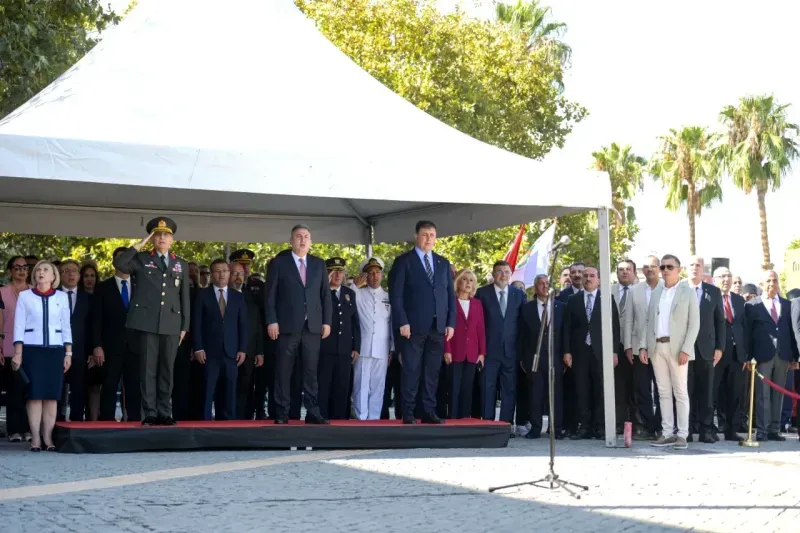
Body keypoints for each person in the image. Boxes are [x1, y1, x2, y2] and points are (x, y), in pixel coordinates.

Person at [113, 217, 190, 426]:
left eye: (166, 235)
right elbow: (120, 263)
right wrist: (139, 245)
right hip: (147, 322)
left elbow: (185, 297)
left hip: (172, 324)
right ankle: (150, 412)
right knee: (148, 370)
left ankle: (165, 412)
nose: (162, 238)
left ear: (172, 239)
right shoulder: (142, 259)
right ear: (152, 238)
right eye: (158, 234)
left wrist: (185, 326)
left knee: (167, 370)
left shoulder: (180, 264)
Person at [389, 220, 456, 424]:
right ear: (416, 236)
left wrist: (450, 322)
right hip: (412, 327)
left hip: (437, 327)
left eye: (432, 235)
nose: (429, 238)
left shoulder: (443, 263)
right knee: (411, 370)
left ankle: (428, 411)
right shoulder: (404, 261)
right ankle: (408, 412)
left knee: (431, 373)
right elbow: (396, 295)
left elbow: (449, 295)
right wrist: (402, 320)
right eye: (425, 234)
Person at [265, 224, 332, 424]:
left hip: (312, 327)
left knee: (311, 372)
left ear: (311, 242)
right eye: (298, 236)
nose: (302, 240)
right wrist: (272, 320)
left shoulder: (319, 264)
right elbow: (270, 296)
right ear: (291, 241)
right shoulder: (279, 263)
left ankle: (312, 412)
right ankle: (282, 413)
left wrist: (327, 322)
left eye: (306, 237)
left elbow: (325, 296)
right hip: (286, 326)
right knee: (284, 371)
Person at [12, 261, 73, 451]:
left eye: (45, 270)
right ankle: (36, 437)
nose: (41, 272)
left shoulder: (62, 297)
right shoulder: (25, 296)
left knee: (52, 396)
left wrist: (68, 352)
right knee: (35, 396)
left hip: (55, 350)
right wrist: (18, 353)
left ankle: (48, 436)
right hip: (32, 350)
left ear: (53, 276)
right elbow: (19, 325)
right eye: (38, 269)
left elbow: (66, 326)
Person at [642, 254, 699, 450]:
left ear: (678, 269)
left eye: (669, 267)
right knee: (663, 392)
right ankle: (667, 432)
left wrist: (686, 349)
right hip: (657, 346)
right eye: (663, 267)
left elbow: (694, 324)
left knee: (680, 392)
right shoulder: (657, 292)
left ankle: (682, 434)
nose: (665, 270)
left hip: (678, 349)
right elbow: (649, 321)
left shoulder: (687, 292)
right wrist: (644, 346)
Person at [562, 265, 620, 439]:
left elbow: (615, 327)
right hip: (579, 352)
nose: (588, 278)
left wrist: (614, 352)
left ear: (599, 279)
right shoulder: (573, 300)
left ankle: (601, 427)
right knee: (582, 389)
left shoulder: (607, 298)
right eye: (585, 275)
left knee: (601, 388)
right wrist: (566, 351)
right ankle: (585, 427)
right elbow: (567, 328)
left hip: (601, 351)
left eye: (592, 275)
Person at [746, 270, 798, 441]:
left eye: (774, 280)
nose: (772, 283)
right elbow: (748, 333)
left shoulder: (787, 304)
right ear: (761, 284)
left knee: (779, 394)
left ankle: (774, 429)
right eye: (768, 281)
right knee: (762, 394)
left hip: (783, 355)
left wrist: (795, 357)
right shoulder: (752, 305)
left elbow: (792, 331)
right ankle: (762, 429)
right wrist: (748, 356)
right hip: (762, 356)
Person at [194, 259, 248, 421]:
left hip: (232, 352)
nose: (221, 274)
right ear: (212, 274)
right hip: (209, 352)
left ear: (229, 273)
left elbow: (243, 325)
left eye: (224, 270)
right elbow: (196, 323)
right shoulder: (202, 295)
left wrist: (243, 349)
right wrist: (198, 347)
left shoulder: (238, 297)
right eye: (217, 271)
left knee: (229, 392)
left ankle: (228, 427)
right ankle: (204, 426)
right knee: (207, 391)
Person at [475, 260, 526, 425]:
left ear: (511, 275)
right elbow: (477, 323)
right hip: (489, 350)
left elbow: (522, 323)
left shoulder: (518, 294)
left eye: (506, 272)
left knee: (509, 389)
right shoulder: (482, 293)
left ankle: (506, 424)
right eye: (499, 271)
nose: (503, 275)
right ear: (493, 274)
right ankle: (487, 423)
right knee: (487, 388)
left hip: (511, 351)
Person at [94, 247, 141, 421]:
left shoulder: (140, 285)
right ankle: (106, 420)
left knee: (134, 385)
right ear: (114, 262)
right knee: (109, 385)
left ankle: (134, 420)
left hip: (136, 346)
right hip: (110, 346)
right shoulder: (103, 287)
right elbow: (96, 319)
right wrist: (97, 345)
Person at [519, 274, 565, 439]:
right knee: (535, 394)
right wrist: (522, 359)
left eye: (547, 283)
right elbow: (522, 336)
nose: (545, 286)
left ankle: (556, 429)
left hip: (556, 357)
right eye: (541, 284)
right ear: (535, 287)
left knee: (556, 394)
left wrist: (566, 355)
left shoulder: (561, 307)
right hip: (534, 358)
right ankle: (535, 428)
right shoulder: (526, 308)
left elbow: (565, 334)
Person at [686, 256, 725, 443]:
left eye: (698, 265)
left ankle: (706, 430)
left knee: (706, 392)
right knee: (685, 391)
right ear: (686, 268)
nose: (695, 268)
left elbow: (720, 321)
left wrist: (720, 347)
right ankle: (685, 429)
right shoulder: (679, 289)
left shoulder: (713, 292)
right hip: (684, 349)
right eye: (692, 265)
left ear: (703, 270)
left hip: (706, 350)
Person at [623, 255, 663, 440]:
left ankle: (662, 425)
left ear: (659, 268)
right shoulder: (635, 290)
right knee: (642, 389)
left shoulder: (667, 289)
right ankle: (648, 427)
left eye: (653, 266)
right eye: (646, 266)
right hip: (639, 347)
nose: (649, 269)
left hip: (662, 347)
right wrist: (628, 346)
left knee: (663, 389)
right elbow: (629, 320)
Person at [350, 257, 393, 420]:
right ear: (365, 276)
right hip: (364, 347)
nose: (374, 276)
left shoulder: (389, 296)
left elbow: (391, 324)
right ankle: (361, 419)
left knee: (378, 386)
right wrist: (355, 285)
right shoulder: (358, 294)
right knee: (360, 385)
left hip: (382, 348)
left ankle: (373, 419)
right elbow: (346, 299)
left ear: (382, 275)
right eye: (370, 273)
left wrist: (392, 348)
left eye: (377, 273)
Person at [318, 257, 360, 420]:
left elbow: (355, 322)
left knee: (342, 388)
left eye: (340, 271)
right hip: (325, 348)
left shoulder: (349, 293)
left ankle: (341, 426)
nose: (337, 275)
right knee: (324, 388)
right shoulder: (321, 293)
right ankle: (321, 423)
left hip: (344, 350)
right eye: (333, 271)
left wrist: (356, 346)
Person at [444, 269, 486, 419]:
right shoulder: (451, 302)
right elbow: (445, 327)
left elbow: (480, 329)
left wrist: (482, 353)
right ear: (457, 282)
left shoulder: (477, 304)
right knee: (454, 388)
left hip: (472, 353)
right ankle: (453, 419)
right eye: (465, 279)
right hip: (455, 351)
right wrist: (446, 349)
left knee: (467, 388)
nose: (468, 283)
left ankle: (464, 420)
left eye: (471, 280)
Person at [712, 267, 747, 441]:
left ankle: (731, 430)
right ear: (714, 278)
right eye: (722, 276)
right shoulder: (711, 298)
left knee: (734, 392)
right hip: (717, 353)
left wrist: (746, 354)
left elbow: (744, 327)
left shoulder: (739, 300)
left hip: (737, 354)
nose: (726, 279)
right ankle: (712, 427)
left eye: (728, 276)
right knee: (714, 391)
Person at [1, 256, 32, 442]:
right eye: (17, 267)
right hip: (8, 346)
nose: (21, 270)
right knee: (13, 390)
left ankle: (29, 429)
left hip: (31, 347)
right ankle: (14, 430)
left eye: (25, 267)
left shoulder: (34, 292)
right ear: (10, 271)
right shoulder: (2, 292)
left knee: (29, 390)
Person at [229, 261, 265, 419]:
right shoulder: (221, 295)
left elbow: (257, 325)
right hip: (227, 350)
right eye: (235, 274)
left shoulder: (251, 296)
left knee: (246, 387)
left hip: (249, 351)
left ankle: (245, 421)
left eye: (241, 274)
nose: (238, 278)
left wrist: (259, 351)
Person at [59, 259, 93, 422]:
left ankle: (77, 422)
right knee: (57, 389)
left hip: (80, 350)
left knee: (79, 389)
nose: (71, 274)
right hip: (57, 350)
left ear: (79, 276)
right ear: (59, 275)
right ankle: (55, 423)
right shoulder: (53, 296)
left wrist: (94, 349)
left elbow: (92, 326)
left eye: (74, 271)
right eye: (66, 271)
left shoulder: (88, 298)